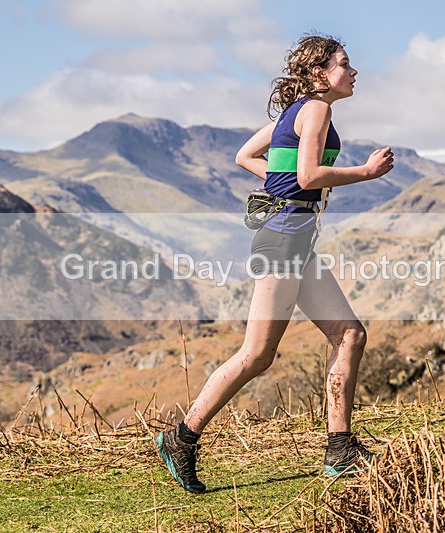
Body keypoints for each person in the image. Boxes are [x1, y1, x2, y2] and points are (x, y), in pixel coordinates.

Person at [153, 34, 395, 494]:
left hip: (295, 241)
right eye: (345, 64)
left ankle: (339, 449)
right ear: (321, 73)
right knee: (256, 355)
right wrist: (365, 172)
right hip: (283, 242)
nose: (354, 71)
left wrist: (282, 184)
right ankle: (180, 439)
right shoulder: (316, 110)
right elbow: (309, 175)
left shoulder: (293, 112)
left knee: (350, 335)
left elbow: (245, 156)